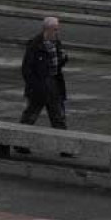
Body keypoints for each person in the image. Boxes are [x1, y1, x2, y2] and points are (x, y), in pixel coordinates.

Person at [17, 17, 70, 155]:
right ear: (47, 29)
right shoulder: (35, 45)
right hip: (39, 86)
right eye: (55, 30)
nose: (57, 32)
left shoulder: (56, 42)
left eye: (58, 29)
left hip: (53, 84)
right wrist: (35, 87)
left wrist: (63, 59)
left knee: (58, 117)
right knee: (30, 117)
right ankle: (19, 144)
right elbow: (26, 70)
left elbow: (57, 65)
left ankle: (65, 148)